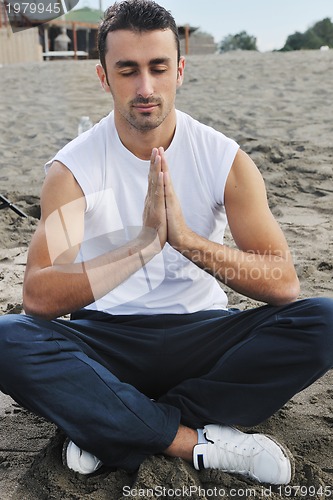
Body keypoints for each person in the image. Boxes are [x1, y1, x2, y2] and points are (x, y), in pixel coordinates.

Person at [0, 0, 332, 486]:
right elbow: (38, 298)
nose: (145, 87)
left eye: (158, 68)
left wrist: (183, 239)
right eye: (127, 70)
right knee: (8, 339)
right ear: (103, 77)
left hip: (203, 338)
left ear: (179, 70)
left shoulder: (224, 160)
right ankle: (192, 441)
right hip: (105, 342)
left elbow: (282, 283)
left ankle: (108, 420)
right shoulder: (72, 170)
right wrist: (143, 245)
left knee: (324, 320)